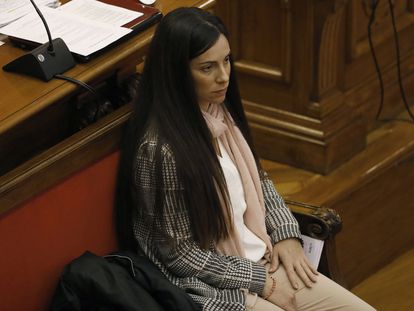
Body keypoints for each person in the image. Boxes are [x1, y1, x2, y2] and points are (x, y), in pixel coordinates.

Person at [115, 7, 375, 311]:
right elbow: (180, 255)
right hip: (211, 285)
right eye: (207, 67)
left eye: (226, 60)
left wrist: (285, 234)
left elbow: (259, 180)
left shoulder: (218, 110)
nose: (223, 76)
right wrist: (261, 282)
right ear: (177, 72)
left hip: (264, 256)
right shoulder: (160, 150)